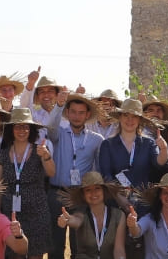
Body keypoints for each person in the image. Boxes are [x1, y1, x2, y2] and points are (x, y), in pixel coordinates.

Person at [40, 94, 107, 258]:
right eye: (73, 112)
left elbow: (98, 169)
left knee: (80, 246)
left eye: (81, 113)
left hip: (81, 196)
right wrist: (59, 105)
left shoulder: (96, 140)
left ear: (87, 115)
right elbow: (49, 129)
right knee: (55, 246)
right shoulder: (58, 134)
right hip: (56, 194)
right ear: (67, 113)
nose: (77, 116)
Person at [0, 108, 56, 258]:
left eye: (26, 127)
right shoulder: (2, 154)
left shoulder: (40, 150)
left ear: (31, 129)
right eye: (17, 126)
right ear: (11, 129)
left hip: (37, 213)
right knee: (12, 253)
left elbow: (51, 173)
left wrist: (47, 157)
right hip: (11, 214)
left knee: (35, 254)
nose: (22, 130)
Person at [98, 99, 168, 191]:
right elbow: (106, 176)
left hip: (142, 200)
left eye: (134, 116)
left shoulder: (148, 143)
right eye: (126, 115)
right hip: (116, 200)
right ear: (120, 117)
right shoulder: (107, 144)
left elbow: (159, 164)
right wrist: (120, 198)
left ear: (140, 120)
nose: (130, 120)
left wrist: (164, 149)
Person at [57, 172, 129, 259]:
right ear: (83, 195)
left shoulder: (118, 215)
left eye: (97, 188)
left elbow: (119, 249)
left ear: (104, 190)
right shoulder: (81, 213)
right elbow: (76, 220)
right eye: (88, 190)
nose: (93, 193)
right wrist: (67, 220)